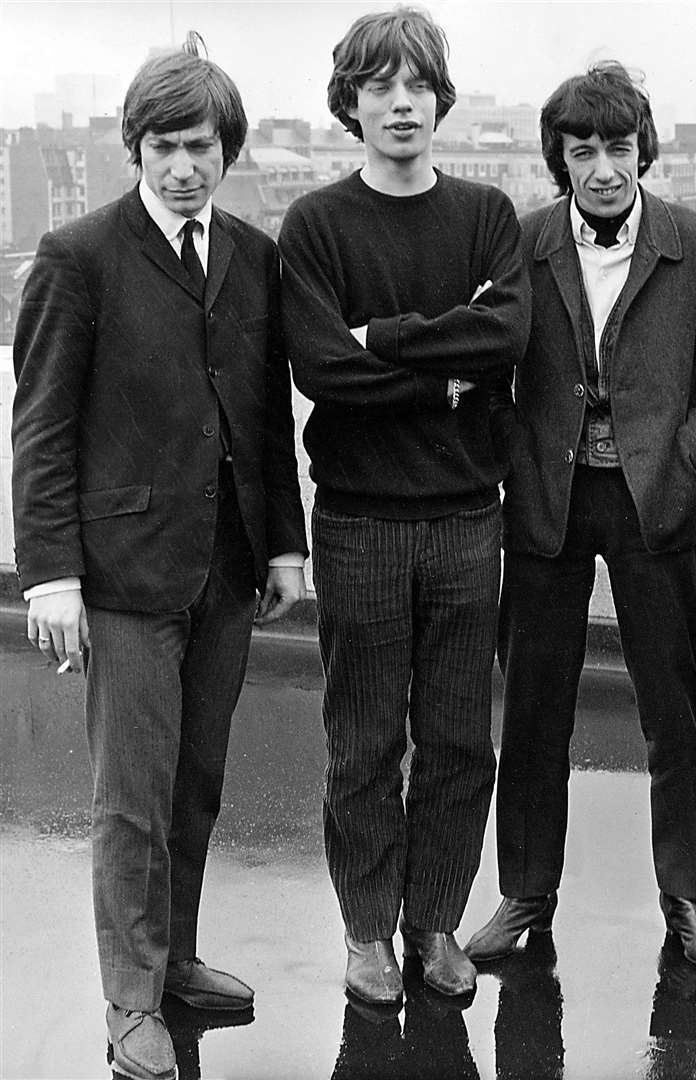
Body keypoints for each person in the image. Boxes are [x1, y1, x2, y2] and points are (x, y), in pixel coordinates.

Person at [11, 36, 307, 1080]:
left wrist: (282, 543)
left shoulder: (251, 256)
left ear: (228, 151)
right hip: (125, 572)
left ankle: (173, 959)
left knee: (196, 784)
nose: (185, 165)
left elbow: (264, 409)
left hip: (225, 566)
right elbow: (40, 426)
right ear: (135, 148)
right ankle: (129, 998)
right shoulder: (77, 256)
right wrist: (50, 573)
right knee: (129, 797)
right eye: (166, 145)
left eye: (202, 146)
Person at [465, 62, 696, 970]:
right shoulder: (521, 244)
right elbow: (487, 371)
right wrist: (518, 458)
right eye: (582, 149)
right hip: (548, 507)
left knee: (670, 709)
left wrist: (680, 452)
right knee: (533, 709)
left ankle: (684, 899)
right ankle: (524, 895)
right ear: (559, 156)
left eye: (619, 148)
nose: (602, 167)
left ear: (644, 151)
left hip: (653, 505)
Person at [278, 6, 529, 1004]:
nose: (399, 102)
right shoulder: (317, 225)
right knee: (365, 741)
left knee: (463, 739)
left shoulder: (486, 217)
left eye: (416, 84)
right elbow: (323, 369)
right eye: (378, 85)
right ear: (351, 102)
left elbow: (505, 335)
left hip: (470, 516)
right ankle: (367, 934)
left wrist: (380, 339)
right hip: (361, 521)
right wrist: (442, 367)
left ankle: (434, 925)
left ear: (440, 99)